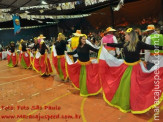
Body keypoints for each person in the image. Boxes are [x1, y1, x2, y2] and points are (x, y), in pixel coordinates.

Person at [100, 28, 163, 114]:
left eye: (126, 35)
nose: (124, 36)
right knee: (126, 86)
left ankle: (136, 103)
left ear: (130, 36)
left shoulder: (139, 44)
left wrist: (161, 47)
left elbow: (150, 47)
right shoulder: (125, 44)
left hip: (136, 69)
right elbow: (116, 45)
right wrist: (106, 43)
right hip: (126, 68)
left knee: (135, 87)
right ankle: (127, 103)